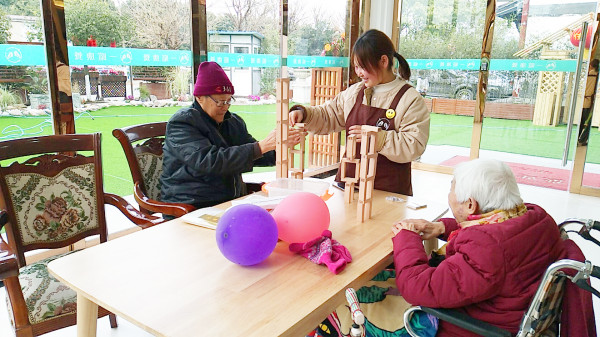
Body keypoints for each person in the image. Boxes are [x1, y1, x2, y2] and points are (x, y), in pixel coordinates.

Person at [391, 159, 567, 336]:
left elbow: (418, 287)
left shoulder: (488, 251)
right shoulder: (538, 219)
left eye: (451, 188)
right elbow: (498, 237)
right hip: (511, 311)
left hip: (475, 327)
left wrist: (406, 238)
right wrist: (443, 227)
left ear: (470, 205)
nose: (450, 194)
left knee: (375, 305)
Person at [288, 29, 429, 196]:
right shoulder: (355, 92)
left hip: (389, 194)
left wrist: (379, 139)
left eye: (363, 67)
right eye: (356, 67)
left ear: (383, 61)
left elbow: (414, 145)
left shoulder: (410, 99)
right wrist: (305, 114)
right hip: (347, 187)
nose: (359, 73)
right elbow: (328, 115)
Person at [160, 61, 301, 210]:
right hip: (191, 203)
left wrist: (280, 147)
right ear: (199, 97)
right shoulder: (182, 123)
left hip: (228, 200)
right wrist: (262, 146)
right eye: (220, 102)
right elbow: (209, 161)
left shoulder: (233, 122)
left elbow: (254, 154)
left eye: (228, 101)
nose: (225, 107)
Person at [579, 58, 598, 146]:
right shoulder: (596, 75)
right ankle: (582, 139)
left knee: (582, 120)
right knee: (588, 121)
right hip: (592, 101)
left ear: (591, 66)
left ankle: (579, 138)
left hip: (586, 101)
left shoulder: (588, 75)